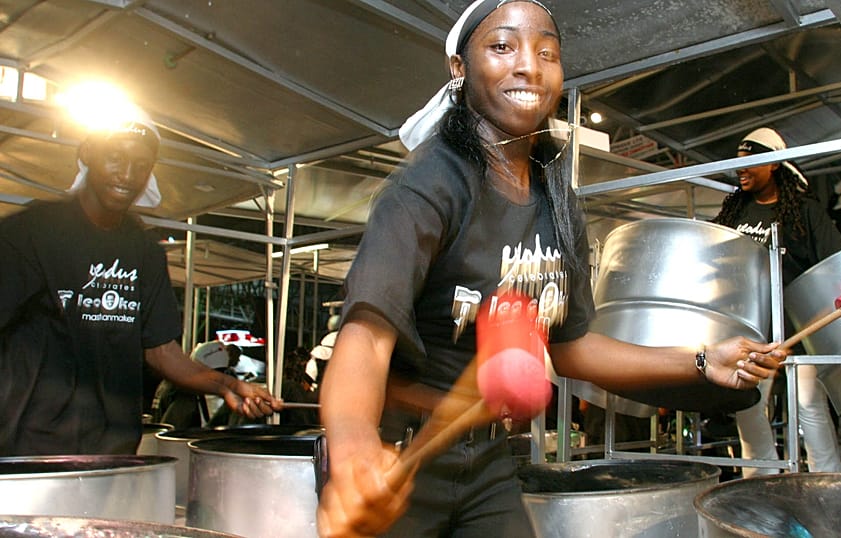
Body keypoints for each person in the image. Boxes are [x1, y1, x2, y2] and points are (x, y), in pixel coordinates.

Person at [315, 2, 786, 536]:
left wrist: (703, 361)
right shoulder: (428, 186)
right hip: (396, 453)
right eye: (502, 47)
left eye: (547, 53)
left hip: (489, 458)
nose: (529, 67)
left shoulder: (555, 196)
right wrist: (354, 455)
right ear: (459, 68)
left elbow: (572, 347)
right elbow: (365, 339)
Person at [0, 105, 282, 456]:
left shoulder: (145, 250)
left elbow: (162, 352)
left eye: (141, 165)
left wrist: (228, 385)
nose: (127, 175)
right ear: (87, 153)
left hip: (113, 450)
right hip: (29, 448)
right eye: (114, 158)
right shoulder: (30, 233)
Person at [712, 126, 841, 475]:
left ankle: (827, 479)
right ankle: (761, 480)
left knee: (808, 406)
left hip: (798, 329)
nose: (741, 170)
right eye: (738, 163)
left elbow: (837, 263)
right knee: (749, 405)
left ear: (774, 165)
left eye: (751, 162)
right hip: (749, 328)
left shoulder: (805, 211)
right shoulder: (733, 213)